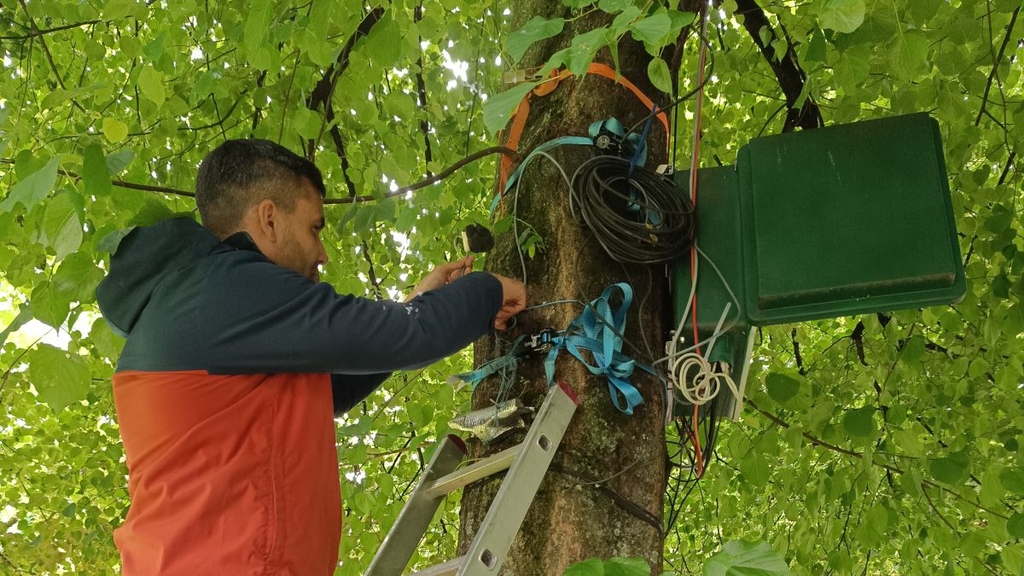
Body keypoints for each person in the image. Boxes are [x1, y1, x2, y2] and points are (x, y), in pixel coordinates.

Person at [95, 139, 526, 575]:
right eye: (314, 228)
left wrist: (419, 300)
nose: (322, 253)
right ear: (269, 219)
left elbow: (331, 386)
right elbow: (407, 335)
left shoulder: (205, 306)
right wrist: (488, 288)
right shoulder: (224, 288)